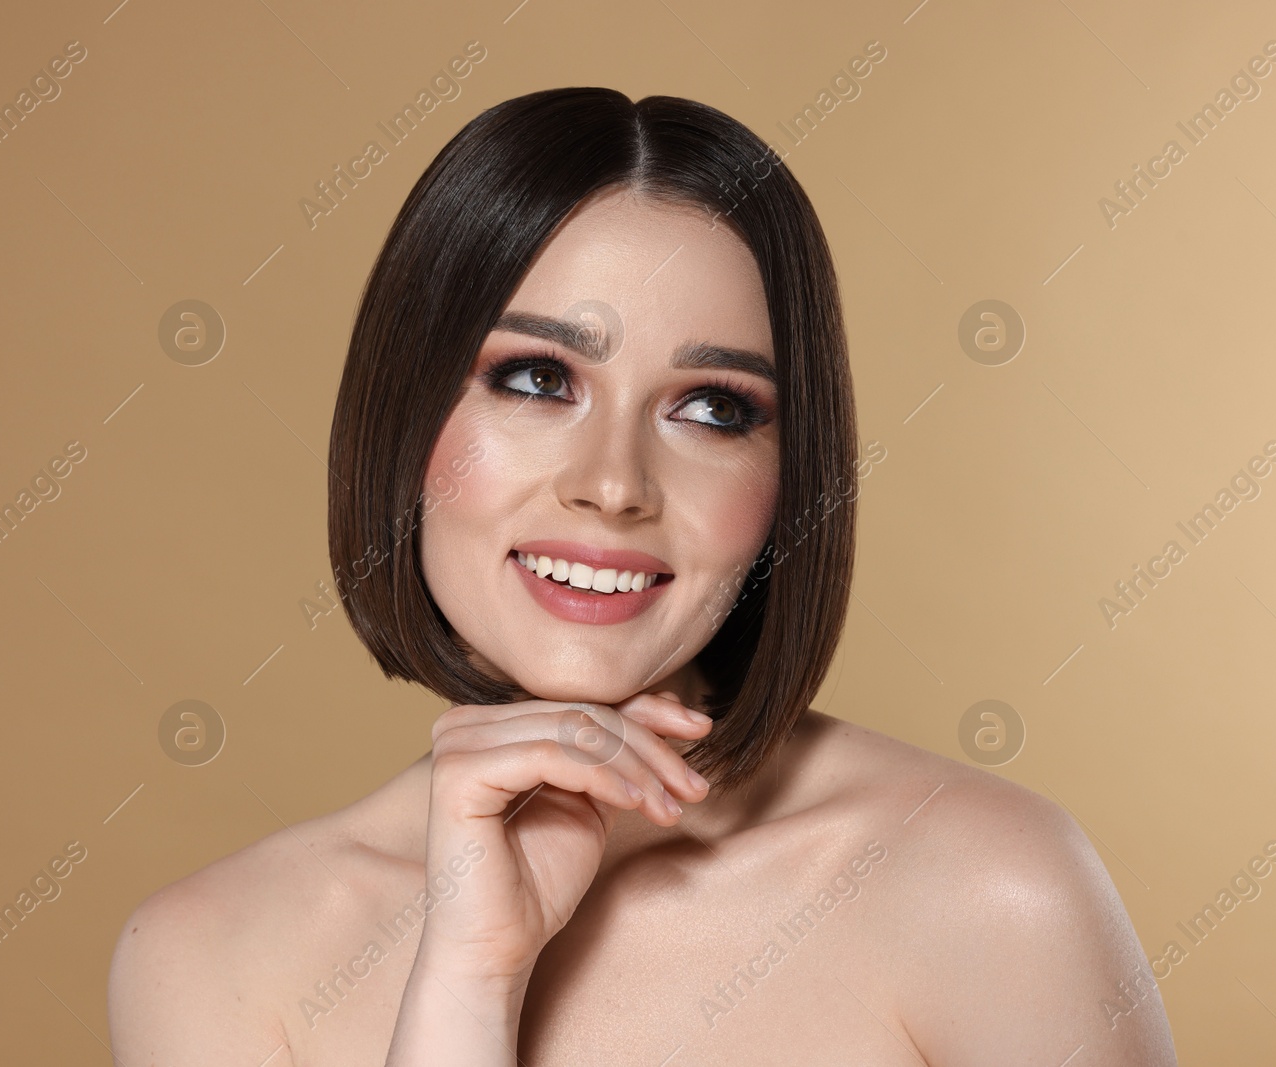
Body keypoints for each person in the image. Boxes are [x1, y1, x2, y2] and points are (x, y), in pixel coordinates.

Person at [107, 87, 1177, 1065]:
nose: (614, 484)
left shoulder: (989, 890)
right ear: (404, 415)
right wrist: (468, 985)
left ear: (789, 471)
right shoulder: (212, 959)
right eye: (535, 378)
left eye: (713, 407)